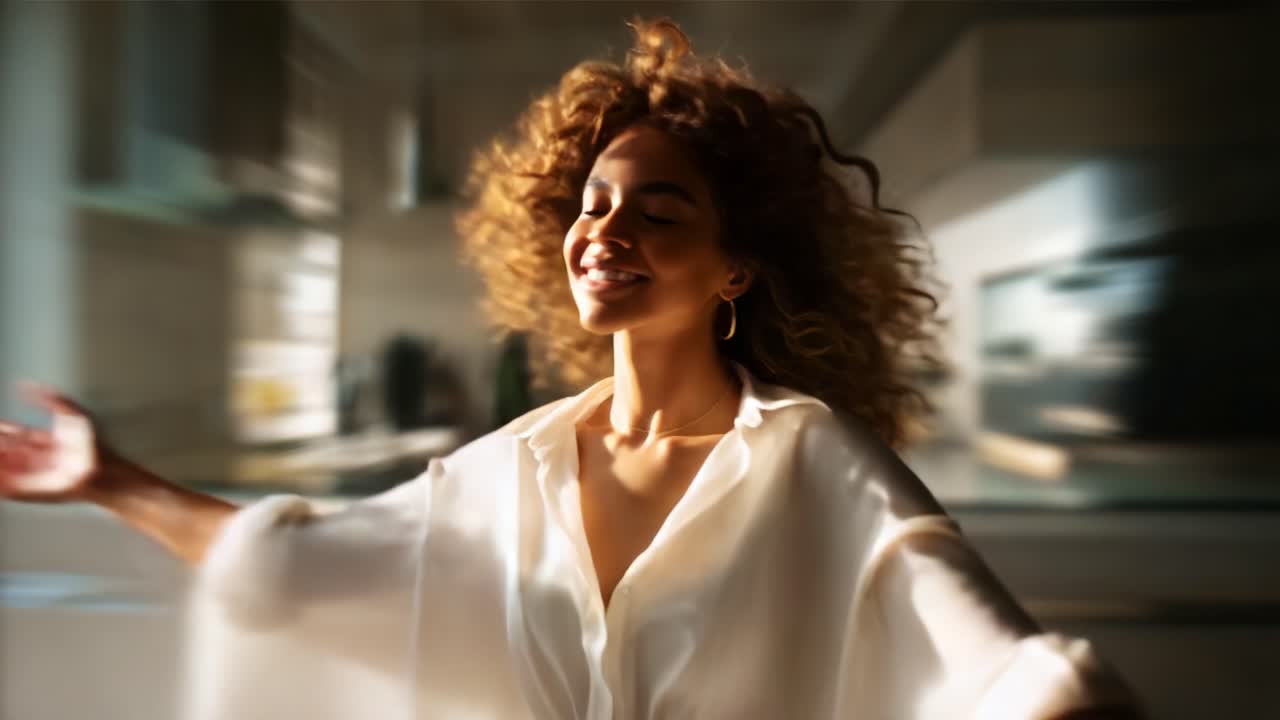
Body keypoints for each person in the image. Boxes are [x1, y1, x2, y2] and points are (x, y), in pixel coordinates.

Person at [0, 19, 1136, 720]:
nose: (605, 232)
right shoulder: (509, 471)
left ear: (735, 265)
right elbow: (290, 565)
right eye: (591, 205)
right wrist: (109, 482)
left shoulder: (810, 458)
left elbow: (1002, 671)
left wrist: (1059, 702)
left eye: (658, 209)